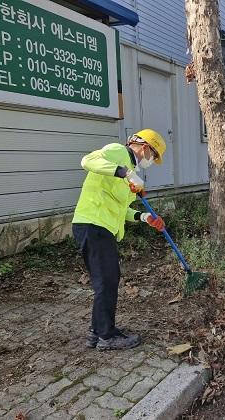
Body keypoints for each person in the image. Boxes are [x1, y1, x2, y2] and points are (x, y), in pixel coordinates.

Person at [72, 129, 167, 351]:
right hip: (92, 224)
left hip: (101, 228)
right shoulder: (118, 152)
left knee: (106, 280)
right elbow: (87, 160)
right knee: (106, 281)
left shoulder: (131, 174)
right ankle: (107, 337)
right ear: (145, 148)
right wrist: (124, 173)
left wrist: (144, 217)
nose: (151, 161)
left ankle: (96, 333)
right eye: (154, 155)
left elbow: (122, 210)